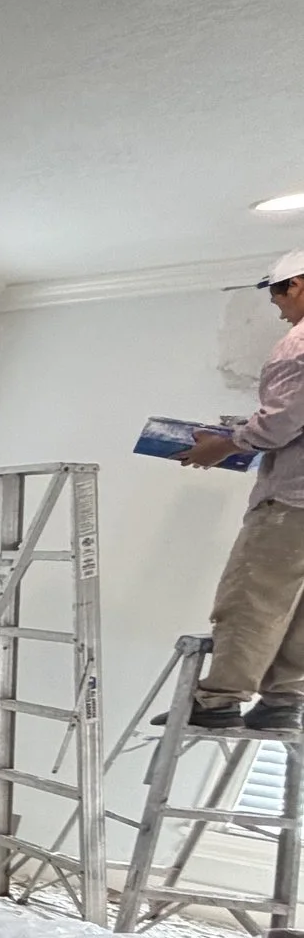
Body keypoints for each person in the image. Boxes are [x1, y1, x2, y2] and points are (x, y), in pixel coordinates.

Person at [170, 248, 304, 731]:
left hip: (292, 502)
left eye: (277, 292)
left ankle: (220, 699)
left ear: (298, 284)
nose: (276, 305)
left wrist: (223, 446)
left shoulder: (299, 342)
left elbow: (282, 423)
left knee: (254, 596)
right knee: (299, 609)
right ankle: (283, 702)